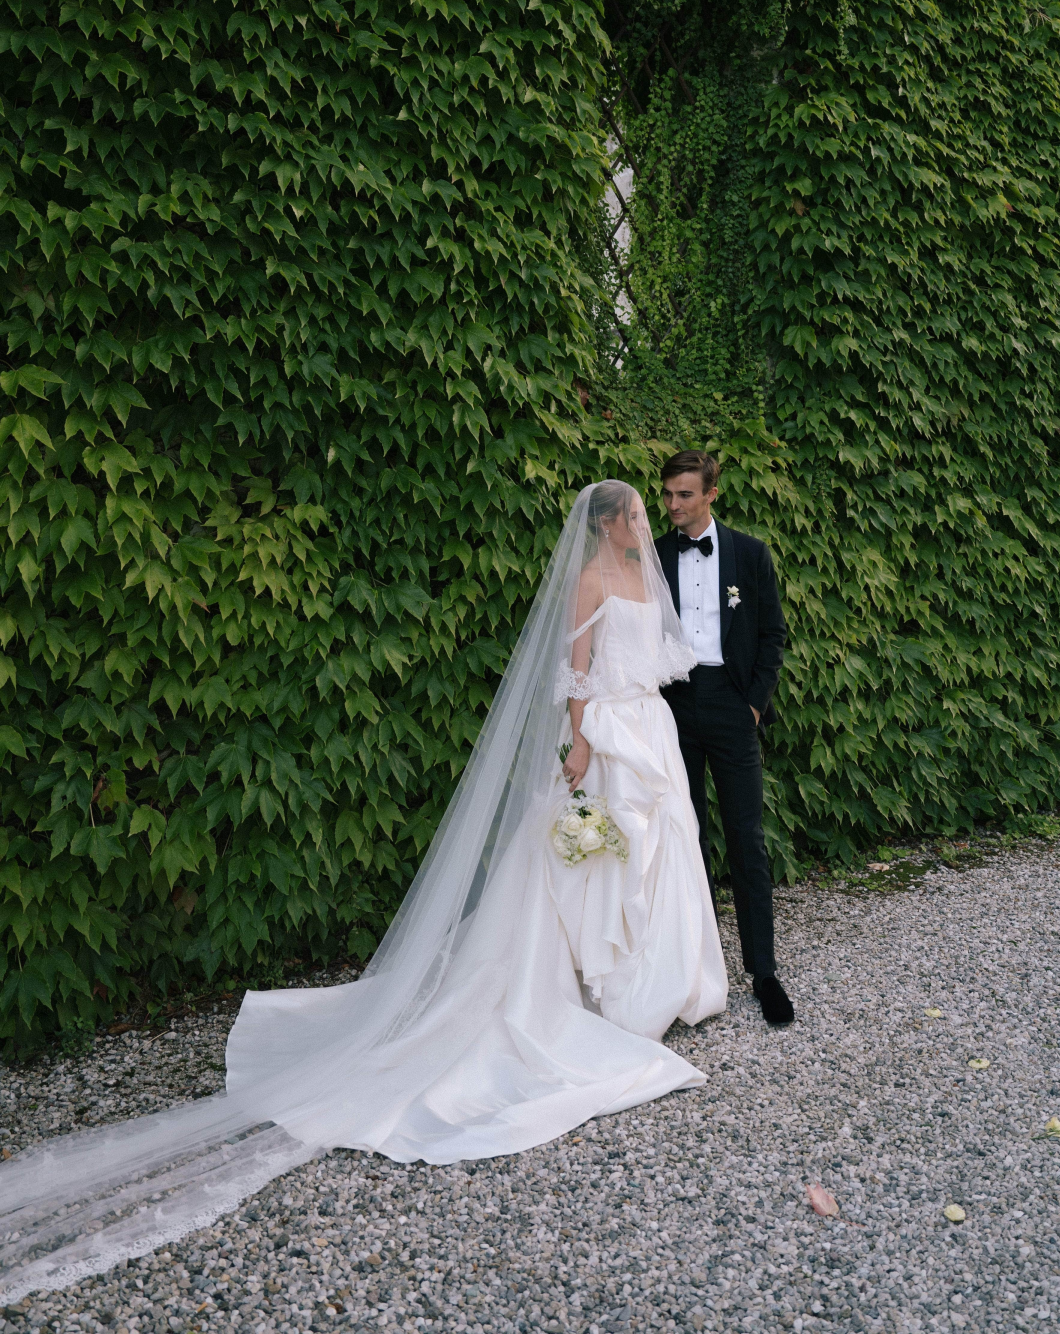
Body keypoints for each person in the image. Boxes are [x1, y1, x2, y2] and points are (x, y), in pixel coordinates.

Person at [0, 484, 727, 1302]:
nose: (646, 524)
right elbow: (576, 672)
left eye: (647, 514)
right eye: (635, 515)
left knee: (655, 854)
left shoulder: (643, 577)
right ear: (606, 522)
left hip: (648, 732)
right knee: (587, 862)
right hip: (606, 739)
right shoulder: (591, 580)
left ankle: (657, 980)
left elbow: (654, 661)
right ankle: (591, 987)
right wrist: (581, 746)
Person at [654, 451, 793, 1027]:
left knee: (746, 837)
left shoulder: (750, 553)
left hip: (733, 705)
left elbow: (772, 633)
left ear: (712, 493)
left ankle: (763, 972)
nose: (673, 504)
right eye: (667, 494)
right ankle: (702, 970)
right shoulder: (653, 556)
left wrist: (754, 705)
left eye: (685, 494)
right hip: (674, 705)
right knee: (687, 838)